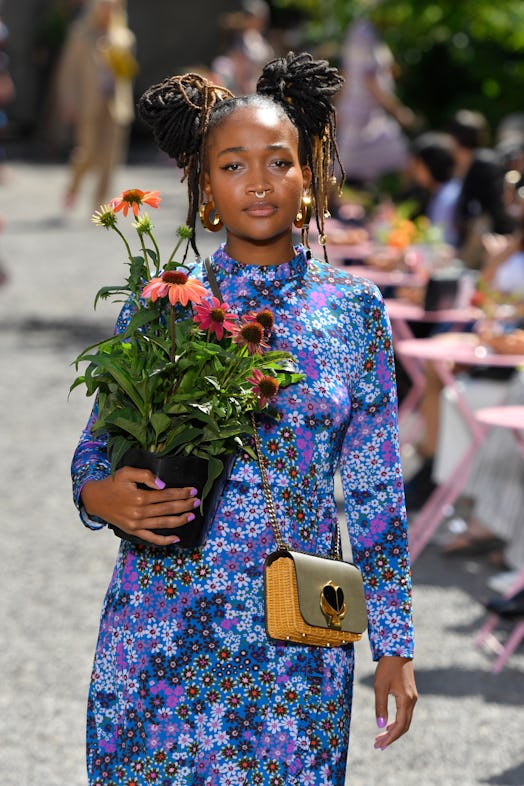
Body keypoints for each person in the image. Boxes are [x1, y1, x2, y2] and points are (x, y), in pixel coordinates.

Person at [71, 51, 416, 785]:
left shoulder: (355, 311)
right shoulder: (162, 302)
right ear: (204, 188)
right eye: (232, 165)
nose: (258, 182)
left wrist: (394, 642)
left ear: (309, 174)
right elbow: (96, 448)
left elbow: (377, 489)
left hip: (299, 633)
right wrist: (97, 497)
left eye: (278, 161)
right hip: (162, 618)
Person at [55, 0, 136, 210]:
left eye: (113, 7)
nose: (108, 11)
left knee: (111, 158)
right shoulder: (81, 34)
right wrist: (69, 102)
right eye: (105, 6)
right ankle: (73, 187)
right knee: (86, 152)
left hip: (116, 105)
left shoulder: (124, 38)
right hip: (88, 104)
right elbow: (68, 71)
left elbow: (128, 74)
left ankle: (100, 207)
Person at [336, 18, 415, 189]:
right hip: (359, 116)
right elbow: (369, 78)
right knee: (338, 171)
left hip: (371, 116)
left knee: (403, 158)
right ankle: (314, 211)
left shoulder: (369, 32)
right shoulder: (363, 33)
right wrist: (398, 110)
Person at [447, 109, 515, 268]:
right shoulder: (478, 161)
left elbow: (483, 211)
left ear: (455, 138)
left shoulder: (482, 164)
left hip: (491, 240)